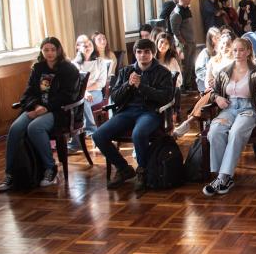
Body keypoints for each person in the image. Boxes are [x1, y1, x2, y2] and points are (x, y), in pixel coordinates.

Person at [92, 38, 174, 191]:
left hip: (150, 113)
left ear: (153, 54)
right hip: (127, 112)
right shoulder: (126, 71)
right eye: (139, 52)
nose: (143, 55)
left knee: (139, 133)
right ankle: (123, 169)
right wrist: (128, 85)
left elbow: (166, 97)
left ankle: (142, 171)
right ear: (135, 53)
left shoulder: (163, 72)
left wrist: (141, 86)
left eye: (147, 52)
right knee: (98, 135)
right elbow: (115, 97)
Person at [0, 38, 79, 192]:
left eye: (52, 50)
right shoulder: (38, 68)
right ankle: (10, 175)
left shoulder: (68, 69)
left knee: (35, 128)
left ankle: (50, 169)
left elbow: (68, 96)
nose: (49, 53)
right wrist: (35, 106)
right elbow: (28, 93)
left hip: (58, 111)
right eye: (46, 50)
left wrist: (46, 108)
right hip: (35, 108)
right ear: (41, 51)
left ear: (59, 50)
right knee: (15, 129)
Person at [203, 38, 256, 195]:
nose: (237, 53)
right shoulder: (224, 71)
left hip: (248, 109)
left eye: (241, 50)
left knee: (236, 132)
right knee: (215, 131)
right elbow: (212, 92)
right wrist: (217, 98)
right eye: (234, 50)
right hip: (228, 108)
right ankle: (224, 177)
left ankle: (222, 178)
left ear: (247, 52)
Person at [172, 31, 234, 138]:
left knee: (208, 96)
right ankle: (191, 123)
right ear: (219, 46)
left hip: (229, 90)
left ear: (232, 45)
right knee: (209, 94)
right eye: (223, 44)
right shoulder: (213, 60)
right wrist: (210, 83)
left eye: (228, 44)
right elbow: (207, 80)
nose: (225, 47)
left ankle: (188, 122)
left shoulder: (233, 60)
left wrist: (218, 82)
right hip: (214, 90)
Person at [69, 34, 108, 149]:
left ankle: (91, 131)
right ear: (77, 47)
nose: (87, 47)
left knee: (82, 102)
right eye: (84, 45)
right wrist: (84, 93)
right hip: (81, 95)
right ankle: (76, 141)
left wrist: (85, 91)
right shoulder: (74, 64)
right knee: (75, 105)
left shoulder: (100, 62)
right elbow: (73, 85)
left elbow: (101, 83)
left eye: (89, 44)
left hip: (96, 93)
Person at [169, 0, 195, 89]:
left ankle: (188, 84)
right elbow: (175, 30)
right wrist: (182, 42)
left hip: (191, 40)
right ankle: (183, 86)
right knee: (184, 65)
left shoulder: (187, 9)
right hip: (184, 43)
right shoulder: (176, 13)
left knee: (190, 64)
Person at [194, 28, 221, 93]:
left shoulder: (223, 51)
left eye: (219, 37)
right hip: (204, 80)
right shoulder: (205, 52)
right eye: (215, 38)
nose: (218, 40)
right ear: (211, 40)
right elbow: (199, 70)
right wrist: (210, 77)